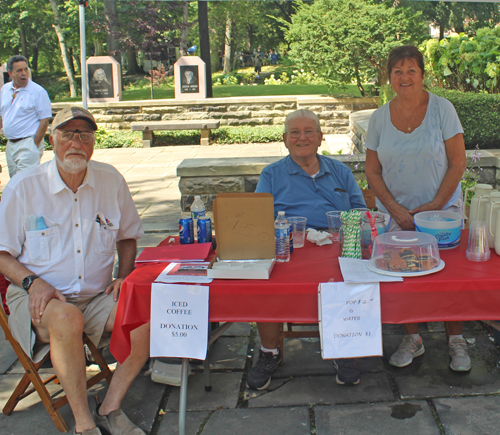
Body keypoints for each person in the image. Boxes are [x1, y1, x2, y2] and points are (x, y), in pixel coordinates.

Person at [0, 107, 149, 435]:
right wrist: (32, 282)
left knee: (148, 316)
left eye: (85, 135)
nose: (76, 142)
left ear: (94, 142)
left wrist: (122, 276)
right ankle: (83, 423)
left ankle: (109, 406)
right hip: (37, 298)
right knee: (67, 319)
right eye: (68, 134)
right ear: (52, 140)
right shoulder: (24, 187)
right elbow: (2, 254)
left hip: (95, 295)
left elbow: (127, 238)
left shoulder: (110, 180)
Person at [364, 45, 469, 372]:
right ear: (389, 77)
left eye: (411, 70)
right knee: (402, 276)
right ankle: (413, 337)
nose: (404, 77)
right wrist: (395, 210)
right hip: (398, 216)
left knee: (450, 279)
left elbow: (458, 162)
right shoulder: (379, 118)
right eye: (397, 71)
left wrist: (434, 206)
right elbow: (372, 171)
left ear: (423, 75)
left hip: (441, 215)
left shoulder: (442, 109)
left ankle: (456, 339)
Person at [247, 109, 366, 390]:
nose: (302, 137)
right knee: (264, 281)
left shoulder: (340, 171)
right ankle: (269, 352)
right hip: (289, 246)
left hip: (336, 247)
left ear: (320, 137)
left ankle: (343, 348)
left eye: (309, 131)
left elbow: (361, 211)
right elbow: (257, 216)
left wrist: (349, 230)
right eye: (295, 132)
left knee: (348, 279)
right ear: (285, 139)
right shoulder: (272, 174)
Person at [0, 55, 52, 178]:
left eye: (25, 69)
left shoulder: (38, 92)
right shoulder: (5, 89)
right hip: (10, 144)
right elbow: (2, 115)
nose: (23, 73)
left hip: (28, 143)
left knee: (25, 182)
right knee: (14, 182)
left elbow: (44, 120)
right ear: (10, 73)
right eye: (19, 70)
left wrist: (34, 144)